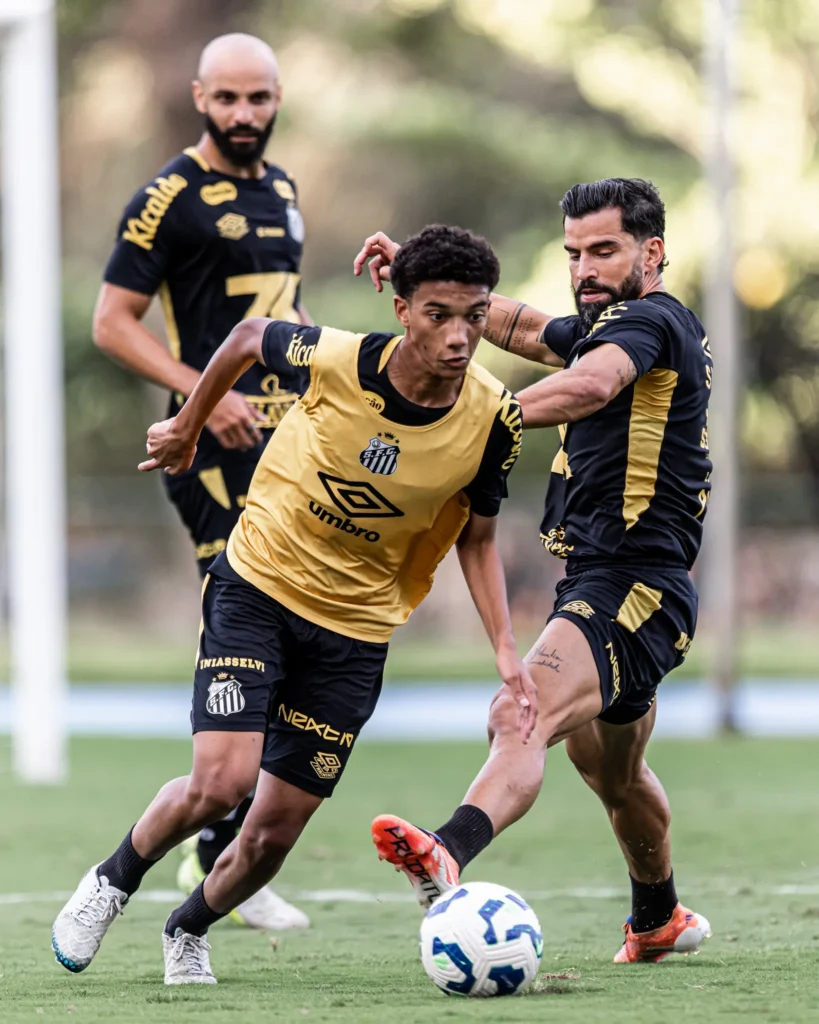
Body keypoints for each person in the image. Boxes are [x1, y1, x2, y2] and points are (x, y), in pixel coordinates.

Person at [52, 225, 535, 984]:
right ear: (403, 310)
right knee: (221, 783)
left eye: (474, 316)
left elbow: (477, 537)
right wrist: (185, 426)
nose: (458, 336)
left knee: (273, 832)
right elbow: (248, 337)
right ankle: (111, 882)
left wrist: (504, 646)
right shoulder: (341, 358)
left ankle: (189, 927)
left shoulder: (493, 417)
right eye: (438, 315)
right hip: (259, 587)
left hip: (356, 632)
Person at [357, 179, 714, 963]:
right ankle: (657, 918)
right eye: (573, 253)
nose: (583, 269)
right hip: (612, 581)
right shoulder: (608, 325)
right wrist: (425, 273)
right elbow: (516, 325)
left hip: (631, 585)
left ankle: (447, 848)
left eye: (603, 251)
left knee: (518, 711)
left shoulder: (650, 321)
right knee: (614, 776)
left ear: (652, 252)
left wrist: (477, 421)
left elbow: (590, 384)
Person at [92, 32, 311, 931]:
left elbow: (283, 311)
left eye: (258, 98)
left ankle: (226, 841)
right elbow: (113, 322)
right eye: (227, 98)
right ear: (198, 98)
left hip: (286, 446)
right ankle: (218, 838)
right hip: (208, 451)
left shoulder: (284, 191)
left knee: (295, 625)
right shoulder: (167, 198)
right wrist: (200, 398)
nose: (243, 114)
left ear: (277, 98)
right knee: (244, 615)